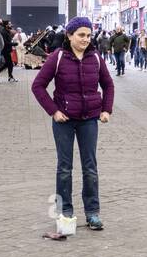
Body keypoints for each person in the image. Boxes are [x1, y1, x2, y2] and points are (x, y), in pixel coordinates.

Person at [30, 16, 113, 231]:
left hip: (89, 120)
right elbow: (38, 86)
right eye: (81, 35)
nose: (86, 39)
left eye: (88, 35)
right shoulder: (58, 57)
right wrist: (54, 111)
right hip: (64, 121)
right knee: (64, 168)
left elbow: (108, 84)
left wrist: (106, 109)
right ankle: (65, 212)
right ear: (69, 35)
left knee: (90, 168)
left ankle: (93, 213)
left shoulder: (95, 57)